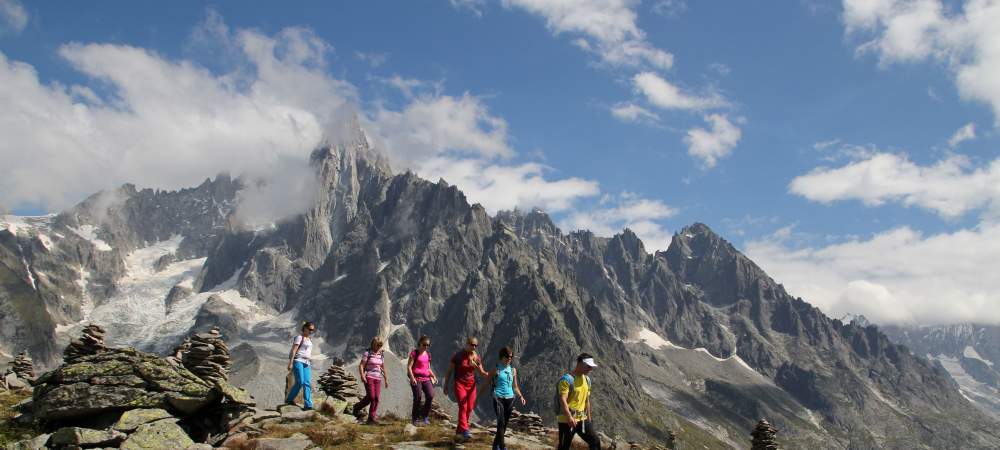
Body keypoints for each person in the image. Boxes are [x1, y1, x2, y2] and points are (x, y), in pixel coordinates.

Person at [444, 337, 489, 441]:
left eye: (475, 345)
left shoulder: (476, 357)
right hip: (459, 384)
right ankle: (465, 430)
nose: (473, 347)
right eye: (472, 344)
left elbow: (482, 373)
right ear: (467, 343)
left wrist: (477, 367)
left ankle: (460, 430)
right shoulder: (458, 356)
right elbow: (449, 371)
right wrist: (445, 385)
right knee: (463, 407)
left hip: (471, 385)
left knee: (469, 408)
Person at [556, 353, 601, 450]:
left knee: (595, 442)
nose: (590, 369)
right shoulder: (566, 380)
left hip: (582, 419)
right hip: (566, 420)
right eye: (588, 366)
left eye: (591, 366)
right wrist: (569, 417)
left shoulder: (587, 380)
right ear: (579, 363)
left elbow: (586, 400)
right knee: (564, 447)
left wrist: (589, 418)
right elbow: (562, 400)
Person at [487, 346, 525, 450]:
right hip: (498, 397)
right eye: (507, 356)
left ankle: (495, 446)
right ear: (502, 356)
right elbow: (487, 381)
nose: (509, 358)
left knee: (504, 424)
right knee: (501, 422)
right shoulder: (496, 368)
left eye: (511, 357)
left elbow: (515, 387)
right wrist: (477, 398)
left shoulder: (513, 370)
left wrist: (521, 396)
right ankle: (503, 446)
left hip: (510, 398)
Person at [353, 337, 390, 424]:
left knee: (376, 398)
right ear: (373, 344)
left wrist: (386, 379)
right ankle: (357, 407)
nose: (379, 347)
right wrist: (362, 376)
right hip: (369, 376)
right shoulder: (367, 353)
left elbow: (382, 367)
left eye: (381, 345)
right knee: (371, 396)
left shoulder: (381, 355)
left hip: (378, 378)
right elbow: (361, 365)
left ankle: (371, 418)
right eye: (378, 345)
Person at [407, 335, 438, 426]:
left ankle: (424, 416)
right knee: (418, 397)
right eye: (424, 344)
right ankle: (415, 418)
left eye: (428, 345)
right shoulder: (414, 353)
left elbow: (428, 368)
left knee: (430, 395)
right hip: (416, 378)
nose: (426, 347)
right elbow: (409, 367)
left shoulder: (428, 355)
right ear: (420, 343)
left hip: (426, 378)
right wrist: (412, 378)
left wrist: (433, 376)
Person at [285, 322, 316, 410]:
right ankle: (290, 399)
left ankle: (308, 405)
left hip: (307, 363)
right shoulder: (299, 338)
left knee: (307, 383)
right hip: (298, 360)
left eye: (313, 330)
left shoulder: (310, 339)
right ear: (305, 328)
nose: (311, 331)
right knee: (300, 382)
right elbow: (294, 350)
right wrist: (290, 362)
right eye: (310, 329)